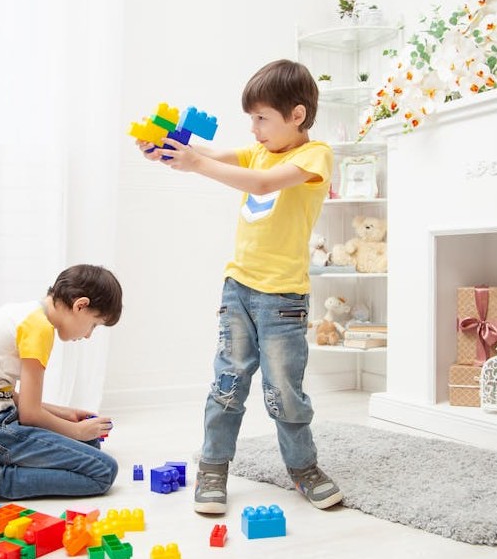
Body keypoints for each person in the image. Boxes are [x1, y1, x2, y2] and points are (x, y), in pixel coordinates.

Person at [136, 59, 343, 513]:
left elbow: (263, 184)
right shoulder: (257, 152)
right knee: (227, 383)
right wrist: (168, 149)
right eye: (251, 119)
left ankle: (303, 467)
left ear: (297, 115)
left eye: (262, 118)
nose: (254, 129)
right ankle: (213, 465)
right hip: (238, 290)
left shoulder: (314, 156)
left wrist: (195, 163)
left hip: (283, 298)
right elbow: (210, 157)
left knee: (284, 391)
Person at [0, 263, 123, 501]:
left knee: (90, 442)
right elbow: (30, 414)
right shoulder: (39, 329)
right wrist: (76, 430)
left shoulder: (27, 314)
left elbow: (4, 395)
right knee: (103, 471)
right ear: (80, 305)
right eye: (94, 324)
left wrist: (65, 414)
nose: (88, 335)